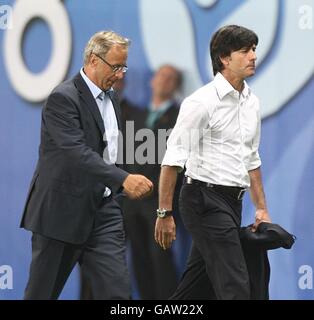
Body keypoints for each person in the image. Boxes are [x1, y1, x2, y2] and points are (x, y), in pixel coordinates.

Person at [20, 30, 153, 300]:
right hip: (61, 213)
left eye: (123, 67)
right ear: (93, 60)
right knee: (41, 295)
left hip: (104, 214)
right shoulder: (62, 98)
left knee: (119, 296)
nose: (120, 74)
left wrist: (119, 187)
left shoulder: (113, 97)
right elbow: (76, 152)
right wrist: (123, 179)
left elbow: (111, 150)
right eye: (115, 66)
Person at [154, 25, 271, 300]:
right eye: (245, 51)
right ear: (224, 59)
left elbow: (251, 158)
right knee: (236, 286)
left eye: (254, 49)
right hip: (203, 200)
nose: (253, 55)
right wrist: (164, 213)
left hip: (233, 202)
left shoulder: (252, 101)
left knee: (195, 288)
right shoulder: (201, 102)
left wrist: (262, 208)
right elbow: (172, 160)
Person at [122, 65, 184, 299]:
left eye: (171, 78)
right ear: (152, 80)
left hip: (160, 202)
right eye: (161, 75)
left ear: (176, 86)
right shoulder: (135, 116)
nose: (164, 80)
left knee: (161, 258)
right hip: (131, 203)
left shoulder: (179, 117)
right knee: (138, 257)